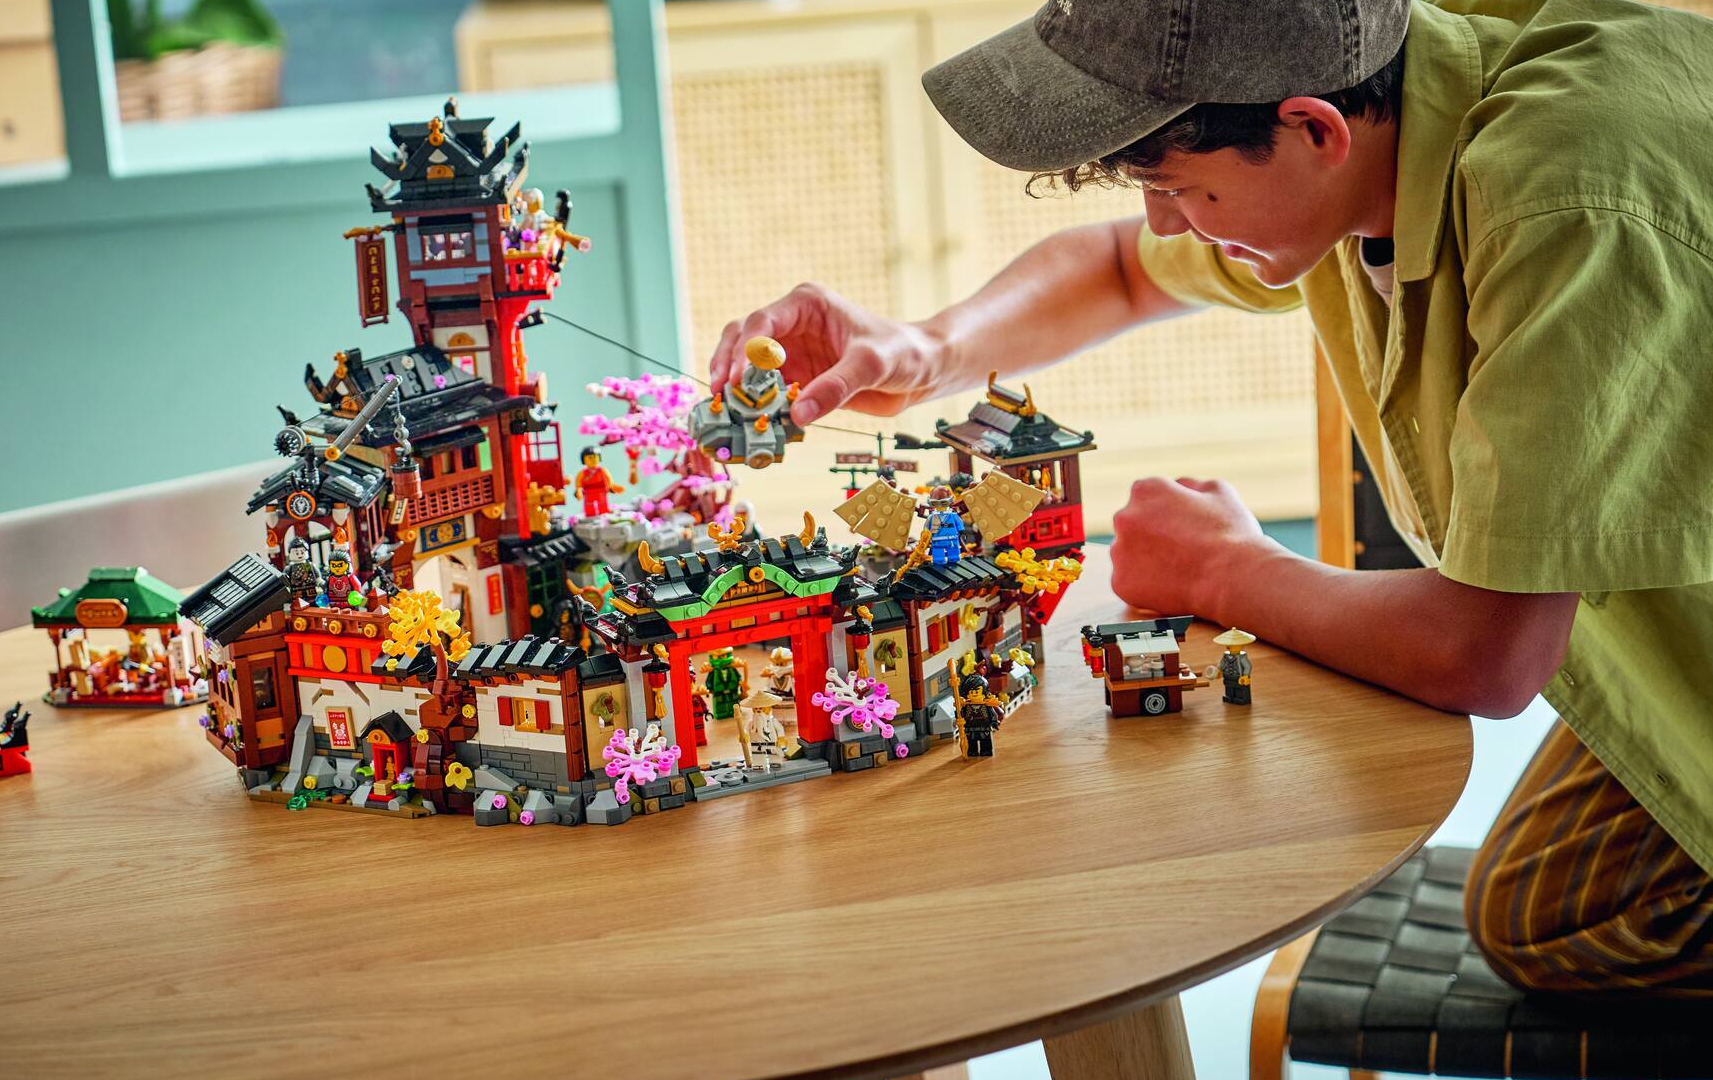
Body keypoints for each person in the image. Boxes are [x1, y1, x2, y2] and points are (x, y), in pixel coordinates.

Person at [713, 0, 1713, 993]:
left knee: (1576, 920)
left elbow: (1487, 652)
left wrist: (1224, 568)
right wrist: (925, 351)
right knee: (1544, 914)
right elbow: (1117, 268)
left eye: (1182, 190)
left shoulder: (1565, 201)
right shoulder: (1377, 124)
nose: (1162, 221)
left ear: (1313, 128)